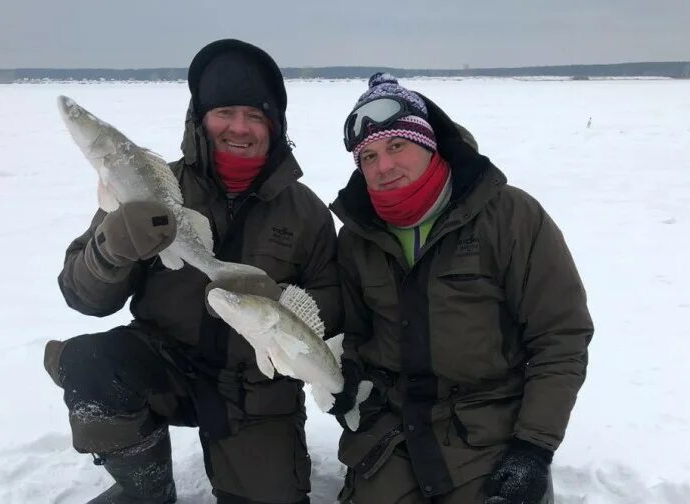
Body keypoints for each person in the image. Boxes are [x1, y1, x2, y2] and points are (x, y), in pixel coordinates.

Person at [44, 39, 341, 504]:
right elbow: (82, 296)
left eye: (255, 115)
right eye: (225, 111)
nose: (239, 128)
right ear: (200, 117)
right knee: (93, 365)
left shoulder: (306, 213)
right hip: (167, 365)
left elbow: (334, 302)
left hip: (258, 390)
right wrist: (112, 248)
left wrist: (281, 309)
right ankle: (147, 492)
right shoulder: (148, 189)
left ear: (275, 126)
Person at [326, 73, 594, 504]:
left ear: (429, 143)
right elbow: (355, 335)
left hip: (490, 432)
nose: (384, 167)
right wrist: (350, 377)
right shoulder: (357, 238)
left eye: (397, 146)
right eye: (368, 156)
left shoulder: (511, 217)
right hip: (392, 435)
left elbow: (560, 338)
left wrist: (533, 448)